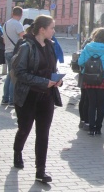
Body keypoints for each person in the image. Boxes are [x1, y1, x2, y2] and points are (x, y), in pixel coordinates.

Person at [12, 15, 63, 183]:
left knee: (43, 134)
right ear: (42, 30)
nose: (54, 31)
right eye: (52, 28)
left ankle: (40, 171)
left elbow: (51, 68)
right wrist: (43, 82)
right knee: (24, 129)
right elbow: (20, 73)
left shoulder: (51, 45)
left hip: (46, 97)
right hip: (28, 96)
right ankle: (17, 152)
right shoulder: (26, 46)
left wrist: (57, 80)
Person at [78, 28, 104, 136]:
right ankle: (98, 129)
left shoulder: (88, 47)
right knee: (100, 104)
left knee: (91, 104)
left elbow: (80, 62)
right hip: (102, 79)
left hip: (89, 79)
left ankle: (91, 128)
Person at [2, 6, 25, 106]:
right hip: (14, 52)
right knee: (14, 76)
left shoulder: (6, 24)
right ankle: (12, 100)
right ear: (21, 15)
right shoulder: (18, 24)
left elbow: (3, 40)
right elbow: (24, 37)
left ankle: (5, 98)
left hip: (7, 51)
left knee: (9, 75)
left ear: (12, 13)